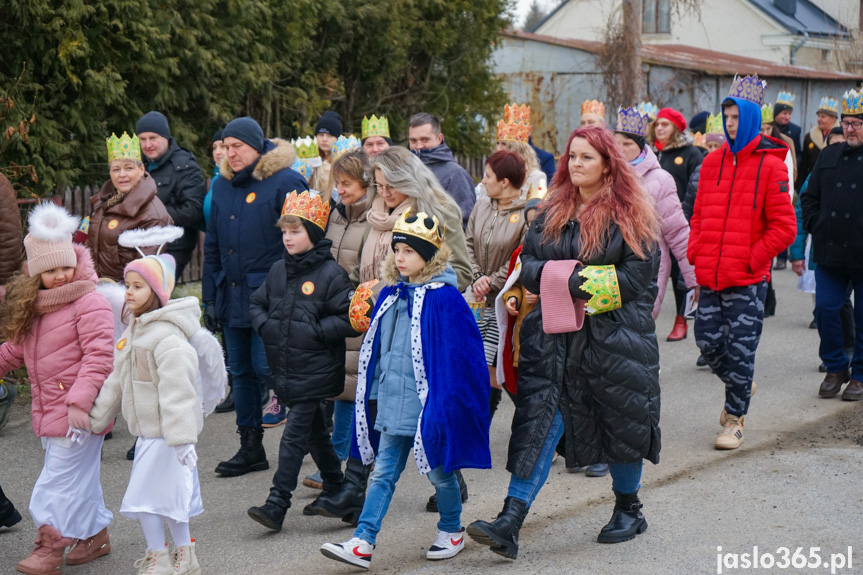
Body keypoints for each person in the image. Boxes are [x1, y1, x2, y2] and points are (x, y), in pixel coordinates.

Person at [467, 126, 661, 559]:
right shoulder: (553, 207)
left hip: (615, 337)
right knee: (538, 422)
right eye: (572, 156)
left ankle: (629, 508)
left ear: (608, 163)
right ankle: (509, 521)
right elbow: (529, 263)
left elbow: (636, 278)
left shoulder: (631, 212)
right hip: (554, 339)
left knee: (620, 422)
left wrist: (566, 279)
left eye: (586, 157)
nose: (576, 164)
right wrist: (556, 278)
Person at [320, 210, 491, 570]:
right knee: (383, 472)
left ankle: (451, 529)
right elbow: (378, 352)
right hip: (392, 400)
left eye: (409, 252)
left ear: (428, 256)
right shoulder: (392, 295)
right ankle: (363, 542)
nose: (399, 258)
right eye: (397, 250)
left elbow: (461, 356)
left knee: (439, 473)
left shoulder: (444, 299)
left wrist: (447, 403)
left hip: (428, 403)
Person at [89, 234, 222, 575]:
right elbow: (117, 380)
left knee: (150, 499)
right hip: (150, 435)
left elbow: (178, 393)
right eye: (127, 285)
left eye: (138, 286)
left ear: (157, 293)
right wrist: (96, 419)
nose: (128, 292)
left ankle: (162, 556)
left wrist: (181, 441)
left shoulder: (167, 339)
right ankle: (181, 556)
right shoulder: (135, 333)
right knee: (163, 499)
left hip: (166, 437)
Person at [1, 203, 115, 573]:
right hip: (50, 409)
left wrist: (80, 402)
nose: (62, 276)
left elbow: (99, 356)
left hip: (77, 411)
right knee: (77, 477)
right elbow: (16, 350)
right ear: (35, 273)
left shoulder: (88, 300)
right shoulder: (38, 307)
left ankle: (50, 547)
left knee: (57, 481)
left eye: (66, 266)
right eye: (50, 270)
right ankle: (95, 534)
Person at [688, 74, 796, 450]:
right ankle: (741, 382)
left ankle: (734, 420)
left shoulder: (771, 165)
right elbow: (698, 214)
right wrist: (695, 251)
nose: (730, 124)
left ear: (749, 118)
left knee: (740, 351)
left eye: (736, 117)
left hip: (748, 279)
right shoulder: (711, 162)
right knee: (707, 342)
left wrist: (752, 259)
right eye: (726, 117)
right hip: (711, 274)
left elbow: (785, 228)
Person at [203, 116, 309, 478]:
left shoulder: (286, 181)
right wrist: (208, 298)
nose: (230, 154)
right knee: (243, 372)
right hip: (231, 294)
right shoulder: (222, 186)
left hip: (272, 296)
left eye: (238, 147)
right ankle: (250, 448)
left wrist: (297, 293)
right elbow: (213, 245)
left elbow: (307, 241)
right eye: (226, 147)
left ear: (258, 146)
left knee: (273, 369)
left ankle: (312, 434)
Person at [245, 191, 358, 531]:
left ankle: (277, 502)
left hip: (317, 368)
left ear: (313, 232)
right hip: (286, 367)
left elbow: (349, 318)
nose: (287, 238)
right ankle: (340, 492)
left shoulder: (332, 274)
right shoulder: (279, 270)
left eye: (295, 231)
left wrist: (316, 331)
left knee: (293, 435)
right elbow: (256, 304)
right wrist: (267, 326)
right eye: (284, 231)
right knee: (314, 435)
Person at [800, 88, 863, 401]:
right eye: (847, 122)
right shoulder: (828, 155)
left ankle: (861, 373)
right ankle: (836, 366)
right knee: (825, 309)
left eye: (857, 124)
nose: (849, 129)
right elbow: (809, 197)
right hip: (830, 250)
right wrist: (815, 224)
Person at [614, 106, 697, 321]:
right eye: (616, 144)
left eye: (627, 144)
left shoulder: (660, 180)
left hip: (648, 271)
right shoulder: (603, 175)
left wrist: (694, 280)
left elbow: (678, 233)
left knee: (637, 329)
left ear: (641, 147)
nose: (620, 150)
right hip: (608, 270)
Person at [466, 151, 528, 416]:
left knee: (496, 370)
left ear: (504, 182)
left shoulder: (526, 213)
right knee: (478, 365)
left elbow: (521, 256)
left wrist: (492, 281)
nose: (483, 180)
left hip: (505, 300)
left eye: (488, 175)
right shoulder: (482, 205)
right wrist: (477, 276)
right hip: (477, 299)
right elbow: (467, 243)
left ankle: (546, 429)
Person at [359, 146, 472, 291]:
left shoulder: (439, 212)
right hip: (372, 307)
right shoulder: (376, 214)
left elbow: (462, 272)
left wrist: (414, 291)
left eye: (392, 186)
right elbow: (360, 266)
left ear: (410, 181)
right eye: (379, 186)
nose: (385, 193)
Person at [648, 107, 704, 342]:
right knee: (654, 273)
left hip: (679, 221)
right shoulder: (650, 153)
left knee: (680, 274)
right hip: (651, 225)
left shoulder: (690, 153)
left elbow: (695, 188)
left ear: (677, 128)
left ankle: (682, 319)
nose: (660, 128)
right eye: (657, 124)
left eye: (665, 124)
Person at [87, 132, 173, 282]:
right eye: (116, 169)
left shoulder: (153, 214)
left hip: (127, 296)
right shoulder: (103, 202)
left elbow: (146, 273)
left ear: (141, 170)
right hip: (97, 290)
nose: (122, 175)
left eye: (128, 168)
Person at [135, 111, 207, 279]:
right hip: (141, 243)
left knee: (152, 293)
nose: (147, 144)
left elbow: (194, 209)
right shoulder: (138, 165)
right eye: (142, 139)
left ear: (166, 137)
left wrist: (153, 218)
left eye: (153, 138)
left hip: (173, 247)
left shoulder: (184, 165)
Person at [408, 112, 476, 229]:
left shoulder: (456, 174)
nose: (419, 146)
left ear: (439, 139)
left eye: (425, 140)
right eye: (413, 141)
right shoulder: (405, 170)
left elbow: (465, 222)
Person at [760, 104, 798, 277]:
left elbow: (790, 173)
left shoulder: (783, 144)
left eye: (768, 128)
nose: (765, 132)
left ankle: (780, 258)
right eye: (761, 128)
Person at [490, 104, 547, 196]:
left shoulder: (536, 177)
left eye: (504, 144)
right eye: (497, 143)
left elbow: (536, 207)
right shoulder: (491, 173)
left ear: (518, 149)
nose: (498, 149)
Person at [798, 96, 840, 189]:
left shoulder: (842, 137)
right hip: (812, 183)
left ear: (833, 118)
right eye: (818, 116)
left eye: (823, 117)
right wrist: (800, 186)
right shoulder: (809, 137)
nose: (818, 119)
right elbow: (804, 166)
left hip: (834, 183)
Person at [312, 111, 343, 194]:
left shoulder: (342, 162)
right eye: (321, 134)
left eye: (330, 135)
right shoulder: (310, 160)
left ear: (337, 138)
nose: (324, 139)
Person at [203, 128, 227, 229]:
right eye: (214, 147)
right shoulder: (215, 179)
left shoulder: (236, 178)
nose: (217, 152)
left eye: (223, 146)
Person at [774, 91, 802, 165]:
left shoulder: (795, 130)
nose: (788, 117)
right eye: (785, 113)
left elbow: (797, 154)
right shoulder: (767, 127)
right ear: (777, 112)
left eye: (789, 114)